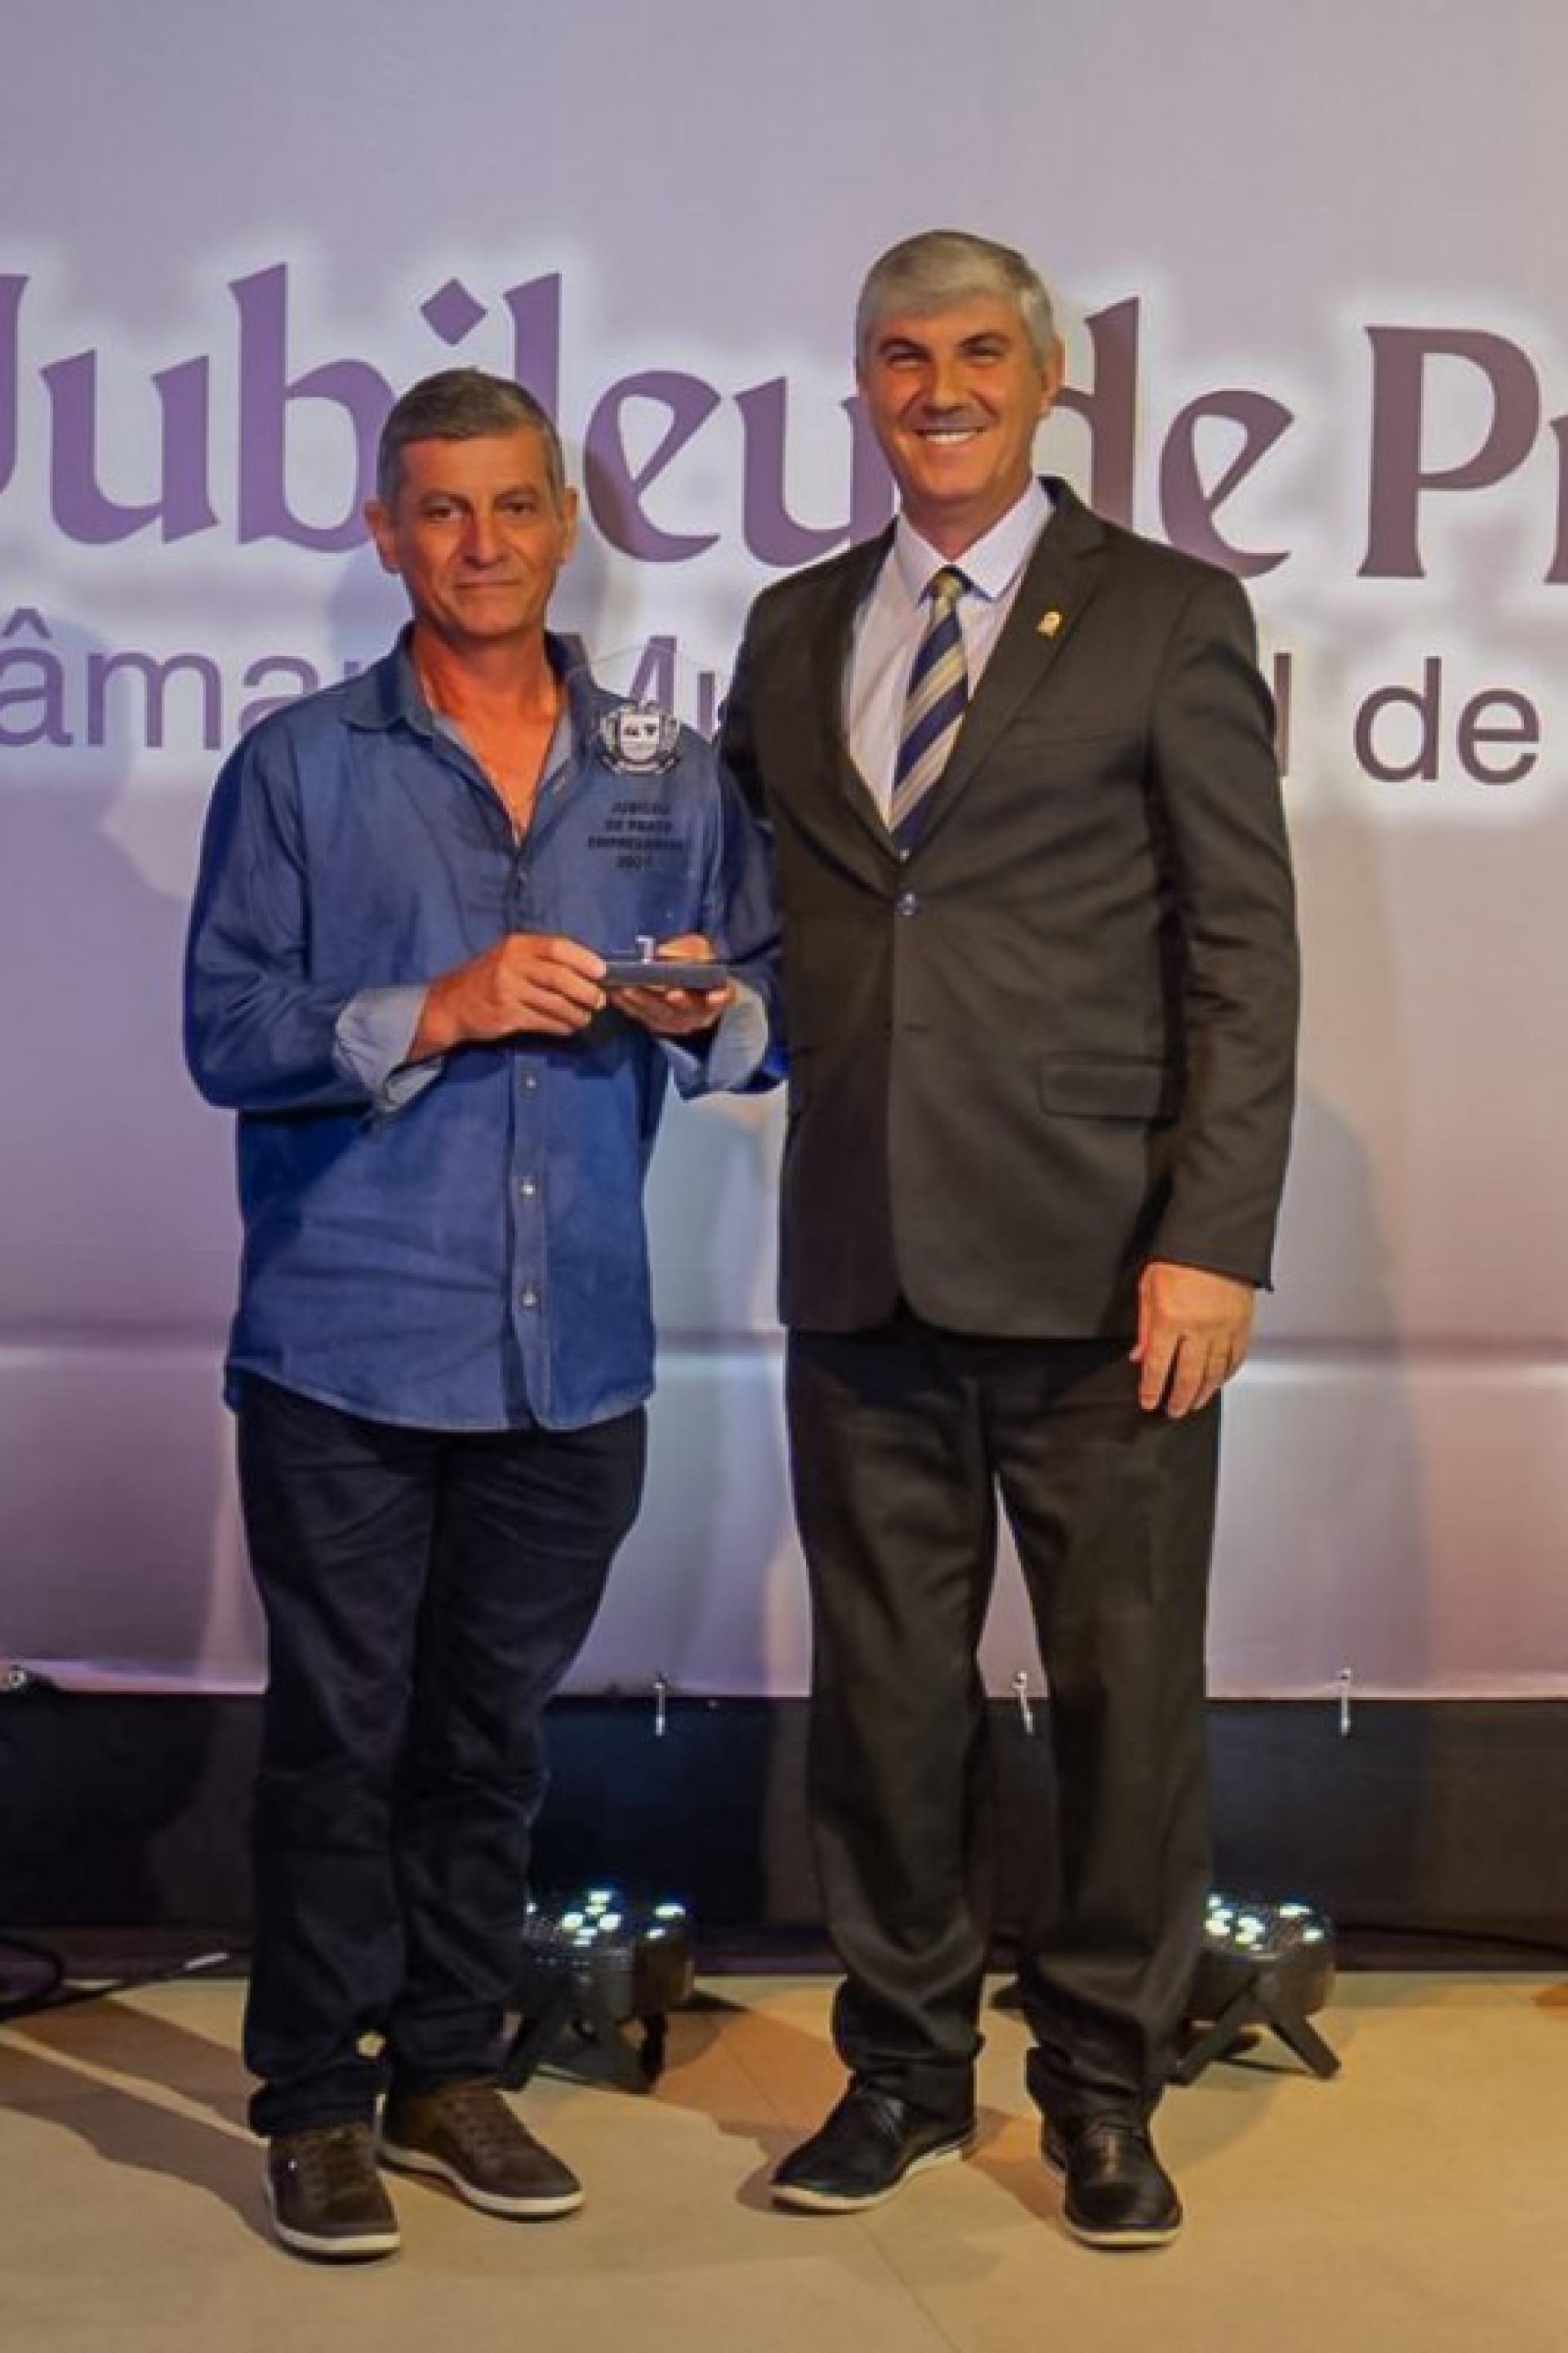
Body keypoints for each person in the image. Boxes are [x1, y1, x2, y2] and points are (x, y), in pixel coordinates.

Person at [719, 230, 1298, 2248]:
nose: (940, 386)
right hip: (861, 1253)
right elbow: (781, 921)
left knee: (1127, 1705)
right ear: (862, 384)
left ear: (1051, 380)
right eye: (902, 354)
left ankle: (1105, 2093)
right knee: (885, 1703)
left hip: (1110, 1269)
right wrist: (694, 992)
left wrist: (1214, 1237)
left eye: (979, 351)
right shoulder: (792, 627)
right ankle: (898, 2072)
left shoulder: (1168, 613)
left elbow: (1241, 949)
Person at [185, 368, 775, 2262]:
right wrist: (437, 1006)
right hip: (347, 1345)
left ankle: (447, 2071)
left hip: (572, 1352)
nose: (482, 543)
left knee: (489, 1743)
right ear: (385, 531)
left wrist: (711, 1012)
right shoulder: (298, 765)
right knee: (336, 1742)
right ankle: (313, 2101)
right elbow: (226, 1035)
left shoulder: (665, 769)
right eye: (441, 510)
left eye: (515, 506)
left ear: (567, 524)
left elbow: (763, 1004)